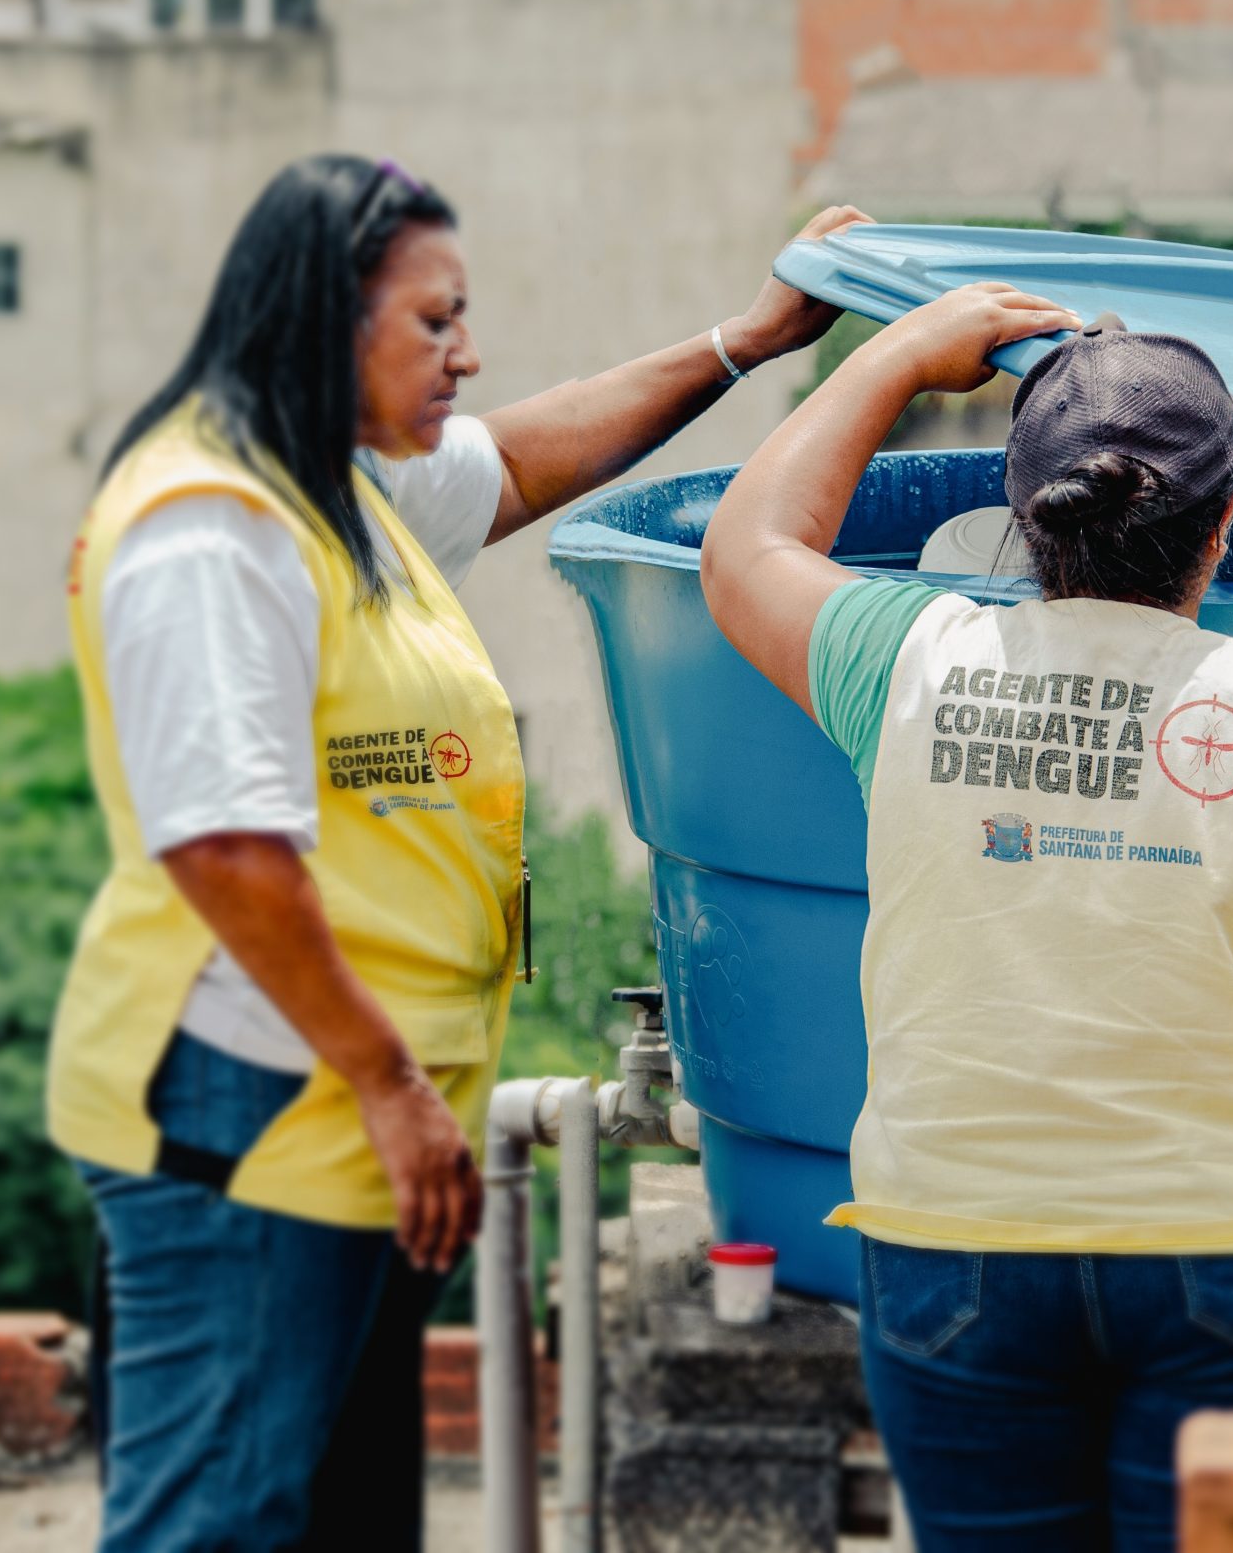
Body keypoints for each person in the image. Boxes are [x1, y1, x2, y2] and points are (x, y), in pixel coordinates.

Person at [50, 152, 864, 1552]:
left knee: (334, 1511)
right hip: (255, 1102)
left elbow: (527, 455)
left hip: (348, 1102)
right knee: (221, 1517)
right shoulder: (211, 528)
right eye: (435, 322)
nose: (466, 354)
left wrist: (750, 341)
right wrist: (389, 1086)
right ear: (318, 317)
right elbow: (226, 849)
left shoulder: (332, 489)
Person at [699, 284, 1233, 1551]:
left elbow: (743, 545)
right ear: (1228, 517)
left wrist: (900, 353)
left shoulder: (905, 662)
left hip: (952, 1253)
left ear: (1020, 517)